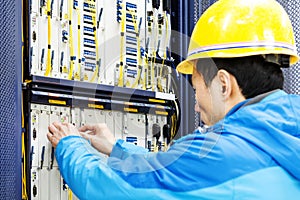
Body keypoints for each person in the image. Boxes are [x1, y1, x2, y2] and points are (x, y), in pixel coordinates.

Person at [48, 0, 300, 199]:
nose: (195, 104)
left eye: (196, 88)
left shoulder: (215, 153)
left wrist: (70, 145)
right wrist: (116, 148)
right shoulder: (282, 134)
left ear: (223, 85)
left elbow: (110, 188)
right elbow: (171, 175)